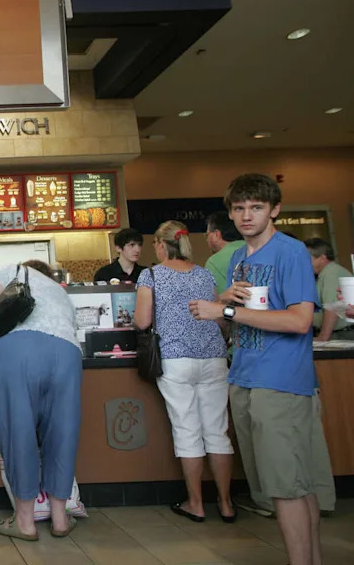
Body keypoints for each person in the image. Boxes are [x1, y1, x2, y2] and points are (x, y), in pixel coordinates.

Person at [190, 173, 322, 565]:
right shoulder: (236, 257)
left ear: (274, 210)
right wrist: (222, 307)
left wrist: (226, 309)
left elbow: (300, 321)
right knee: (289, 484)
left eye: (257, 207)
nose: (247, 216)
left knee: (287, 487)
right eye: (239, 208)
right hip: (244, 376)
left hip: (280, 381)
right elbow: (237, 321)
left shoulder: (291, 251)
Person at [133, 221, 235, 523]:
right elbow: (220, 320)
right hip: (214, 357)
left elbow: (141, 321)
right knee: (218, 431)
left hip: (176, 360)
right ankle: (227, 504)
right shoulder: (204, 274)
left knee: (187, 431)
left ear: (161, 245)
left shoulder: (150, 274)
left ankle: (196, 503)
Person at [0, 259, 81, 541]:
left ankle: (25, 522)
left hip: (19, 350)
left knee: (19, 430)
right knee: (63, 432)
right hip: (67, 354)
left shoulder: (11, 270)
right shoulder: (60, 291)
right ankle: (60, 519)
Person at [306, 238, 353, 341]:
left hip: (342, 335)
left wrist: (323, 337)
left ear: (323, 258)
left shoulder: (331, 273)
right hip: (338, 334)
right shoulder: (325, 274)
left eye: (308, 258)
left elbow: (333, 307)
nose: (304, 263)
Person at [204, 211, 245, 293]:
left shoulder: (214, 262)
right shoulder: (256, 249)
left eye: (207, 234)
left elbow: (216, 300)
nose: (206, 239)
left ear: (216, 234)